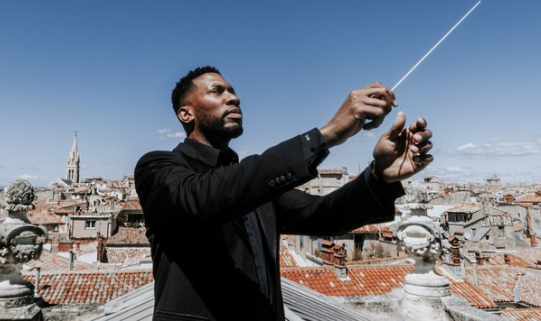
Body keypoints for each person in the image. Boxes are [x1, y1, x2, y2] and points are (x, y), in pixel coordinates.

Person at [135, 66, 433, 320]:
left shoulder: (253, 184)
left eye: (233, 90)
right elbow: (203, 199)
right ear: (187, 113)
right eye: (218, 91)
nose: (234, 97)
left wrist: (380, 176)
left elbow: (323, 214)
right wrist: (325, 135)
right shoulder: (158, 168)